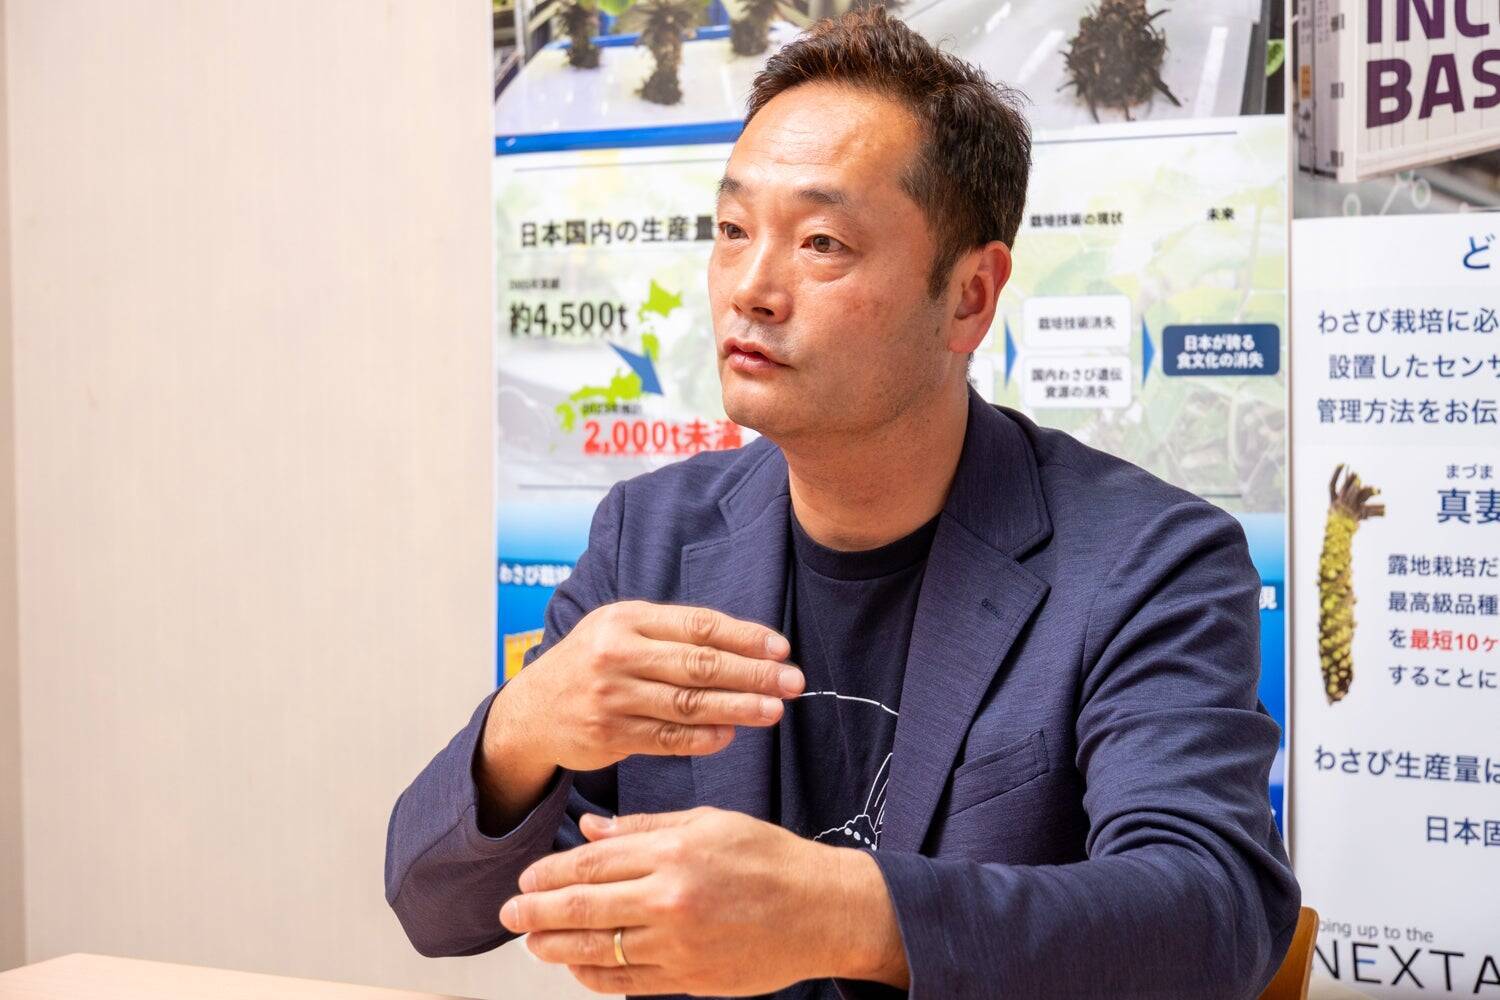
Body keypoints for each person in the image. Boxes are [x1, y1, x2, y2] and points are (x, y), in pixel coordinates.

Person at [385, 7, 1300, 998]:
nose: (750, 288)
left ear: (970, 296)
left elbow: (1211, 918)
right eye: (732, 231)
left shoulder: (1148, 562)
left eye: (821, 241)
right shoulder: (649, 539)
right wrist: (521, 728)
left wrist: (844, 912)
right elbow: (433, 907)